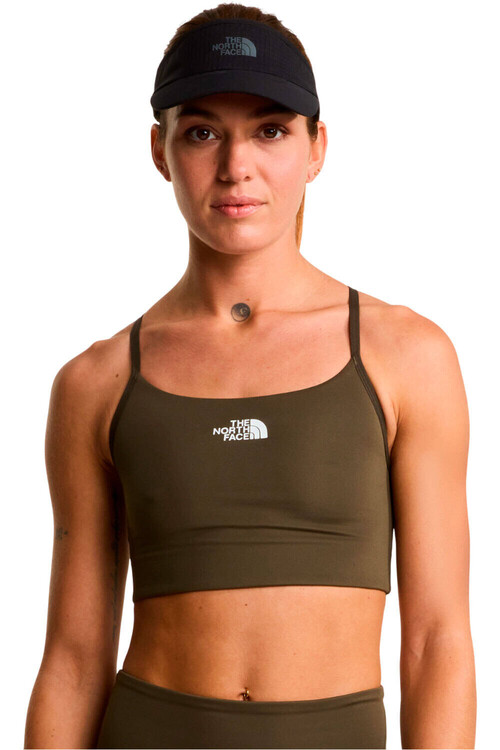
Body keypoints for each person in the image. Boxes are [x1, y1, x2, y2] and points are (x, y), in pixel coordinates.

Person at [24, 4, 476, 749]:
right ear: (161, 150)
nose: (237, 167)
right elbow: (72, 660)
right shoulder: (95, 383)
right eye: (202, 133)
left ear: (317, 147)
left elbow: (438, 642)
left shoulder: (406, 356)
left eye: (270, 131)